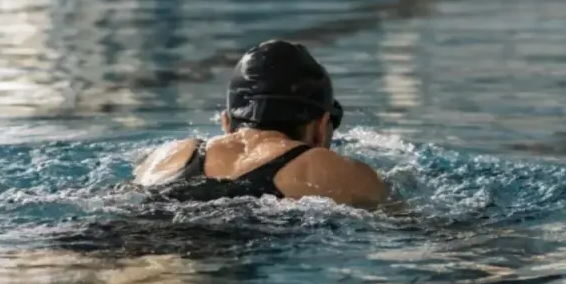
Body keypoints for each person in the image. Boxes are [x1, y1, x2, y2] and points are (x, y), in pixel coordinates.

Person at [134, 39, 390, 208]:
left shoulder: (168, 155)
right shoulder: (323, 168)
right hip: (218, 250)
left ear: (226, 122)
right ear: (321, 126)